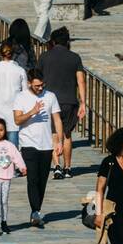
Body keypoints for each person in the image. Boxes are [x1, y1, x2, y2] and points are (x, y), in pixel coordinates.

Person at [13, 69, 64, 229]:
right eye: (36, 86)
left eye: (42, 85)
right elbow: (17, 120)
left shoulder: (50, 96)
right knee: (32, 179)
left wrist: (60, 141)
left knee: (42, 181)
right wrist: (32, 112)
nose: (40, 88)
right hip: (28, 144)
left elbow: (57, 120)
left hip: (46, 144)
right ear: (29, 83)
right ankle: (35, 211)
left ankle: (36, 210)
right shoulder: (21, 97)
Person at [40, 27, 87, 180]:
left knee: (54, 135)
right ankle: (68, 167)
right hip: (69, 101)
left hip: (50, 101)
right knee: (67, 135)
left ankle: (57, 166)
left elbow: (37, 79)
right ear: (67, 42)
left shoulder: (44, 57)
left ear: (53, 41)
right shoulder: (75, 58)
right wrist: (83, 103)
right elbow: (81, 81)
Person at [0, 39, 27, 147]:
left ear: (1, 54)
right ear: (13, 54)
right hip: (15, 110)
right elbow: (25, 93)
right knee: (13, 145)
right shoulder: (20, 71)